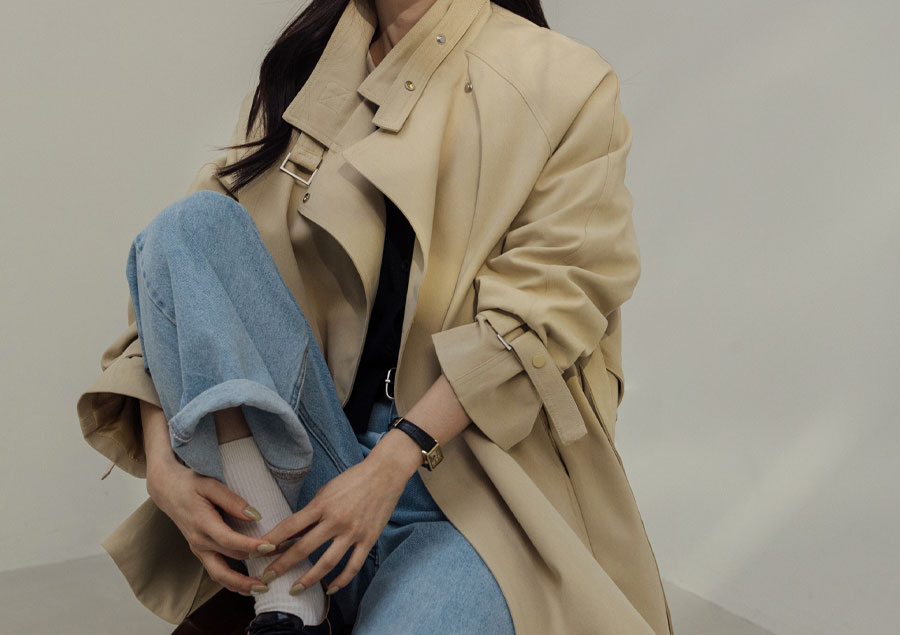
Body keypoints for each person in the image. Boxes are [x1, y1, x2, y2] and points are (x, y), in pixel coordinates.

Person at [77, 0, 675, 633]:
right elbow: (180, 282)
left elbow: (548, 307)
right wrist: (163, 469)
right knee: (187, 226)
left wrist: (392, 461)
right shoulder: (310, 66)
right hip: (308, 458)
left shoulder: (564, 80)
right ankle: (284, 586)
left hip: (473, 498)